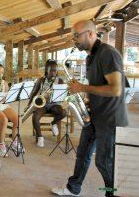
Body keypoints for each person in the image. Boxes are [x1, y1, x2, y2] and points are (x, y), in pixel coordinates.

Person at [52, 20, 128, 197]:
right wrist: (87, 100)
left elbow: (116, 89)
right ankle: (73, 188)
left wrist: (82, 88)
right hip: (94, 114)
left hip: (110, 118)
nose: (74, 40)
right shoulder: (90, 57)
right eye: (73, 36)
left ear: (91, 34)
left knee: (104, 163)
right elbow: (99, 85)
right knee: (83, 154)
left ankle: (113, 194)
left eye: (77, 36)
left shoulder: (108, 53)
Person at [26, 59, 66, 147]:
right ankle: (40, 137)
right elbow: (34, 93)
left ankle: (53, 123)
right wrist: (28, 105)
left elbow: (63, 95)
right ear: (46, 70)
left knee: (63, 112)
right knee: (35, 116)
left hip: (55, 104)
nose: (53, 73)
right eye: (51, 70)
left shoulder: (60, 81)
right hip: (43, 104)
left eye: (55, 70)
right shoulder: (41, 80)